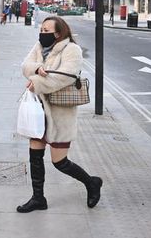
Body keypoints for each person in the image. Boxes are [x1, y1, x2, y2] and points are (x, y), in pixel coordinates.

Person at [17, 16, 102, 213]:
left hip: (59, 114)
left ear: (58, 33)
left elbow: (65, 77)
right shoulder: (39, 46)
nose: (42, 33)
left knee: (59, 162)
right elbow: (25, 65)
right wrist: (38, 69)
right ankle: (38, 198)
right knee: (35, 156)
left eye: (47, 30)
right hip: (40, 111)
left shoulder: (72, 49)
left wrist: (36, 82)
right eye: (42, 29)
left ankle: (91, 183)